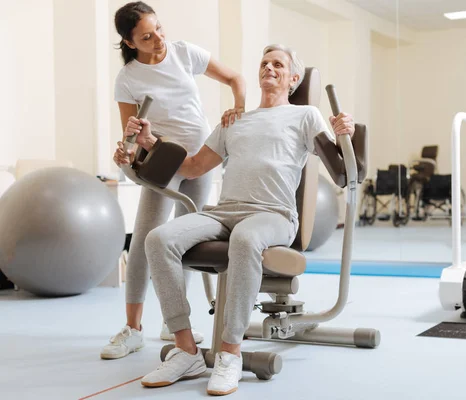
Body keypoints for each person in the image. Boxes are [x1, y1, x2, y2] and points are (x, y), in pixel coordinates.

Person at [114, 43, 354, 396]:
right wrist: (150, 142)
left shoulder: (306, 116)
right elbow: (193, 167)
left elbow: (345, 173)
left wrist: (346, 134)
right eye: (264, 63)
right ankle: (186, 350)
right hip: (224, 212)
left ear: (293, 78)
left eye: (278, 65)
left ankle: (229, 354)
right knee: (158, 239)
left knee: (245, 239)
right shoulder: (234, 119)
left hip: (273, 215)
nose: (269, 68)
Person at [102, 1, 246, 360]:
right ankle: (133, 329)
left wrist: (238, 106)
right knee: (146, 239)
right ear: (130, 42)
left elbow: (235, 78)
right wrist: (126, 152)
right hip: (163, 163)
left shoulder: (185, 53)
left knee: (185, 243)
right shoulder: (128, 78)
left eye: (159, 29)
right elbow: (131, 137)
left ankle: (172, 321)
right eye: (147, 37)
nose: (158, 40)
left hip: (200, 160)